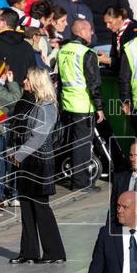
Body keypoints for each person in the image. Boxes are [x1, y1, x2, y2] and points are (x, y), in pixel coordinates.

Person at [9, 67, 66, 265]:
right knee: (26, 207)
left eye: (27, 78)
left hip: (39, 162)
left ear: (35, 81)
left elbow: (39, 136)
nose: (24, 81)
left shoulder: (47, 105)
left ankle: (54, 251)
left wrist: (19, 154)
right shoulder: (34, 103)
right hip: (28, 161)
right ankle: (29, 251)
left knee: (41, 208)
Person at [56, 18, 104, 191]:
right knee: (82, 145)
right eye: (89, 29)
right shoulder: (86, 53)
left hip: (68, 104)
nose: (91, 33)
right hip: (83, 105)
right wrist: (99, 107)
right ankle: (81, 183)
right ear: (81, 31)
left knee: (74, 143)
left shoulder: (63, 51)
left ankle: (78, 179)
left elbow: (60, 79)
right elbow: (94, 84)